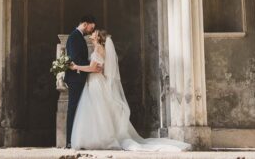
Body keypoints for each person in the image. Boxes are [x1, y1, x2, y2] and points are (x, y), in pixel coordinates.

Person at [69, 28, 191, 152]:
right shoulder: (99, 48)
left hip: (96, 82)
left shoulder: (99, 48)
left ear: (98, 38)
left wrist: (75, 67)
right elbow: (97, 68)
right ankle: (95, 138)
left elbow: (93, 68)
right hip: (94, 81)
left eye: (94, 33)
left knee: (96, 109)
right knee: (96, 110)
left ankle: (100, 139)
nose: (92, 34)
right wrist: (93, 68)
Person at [63, 15, 101, 148]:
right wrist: (92, 65)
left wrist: (91, 65)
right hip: (75, 78)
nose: (92, 30)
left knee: (79, 109)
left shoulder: (78, 36)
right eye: (91, 27)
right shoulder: (74, 36)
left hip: (79, 77)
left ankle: (77, 139)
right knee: (73, 109)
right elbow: (76, 59)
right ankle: (69, 141)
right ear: (85, 24)